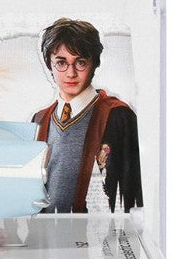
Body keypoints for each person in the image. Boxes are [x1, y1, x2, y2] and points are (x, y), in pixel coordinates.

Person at [33, 17, 142, 213]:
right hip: (46, 229)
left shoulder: (118, 116)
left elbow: (134, 193)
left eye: (80, 62)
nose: (71, 73)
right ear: (49, 65)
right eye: (61, 62)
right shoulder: (39, 120)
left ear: (94, 64)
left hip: (96, 229)